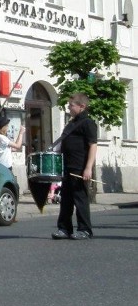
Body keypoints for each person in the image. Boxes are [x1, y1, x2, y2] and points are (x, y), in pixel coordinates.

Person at [52, 93, 97, 240]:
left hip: (79, 167)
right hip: (67, 165)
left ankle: (85, 229)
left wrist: (88, 167)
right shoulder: (71, 123)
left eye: (71, 105)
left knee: (80, 198)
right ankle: (64, 228)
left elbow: (93, 146)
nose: (69, 108)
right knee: (66, 199)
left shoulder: (88, 123)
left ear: (82, 106)